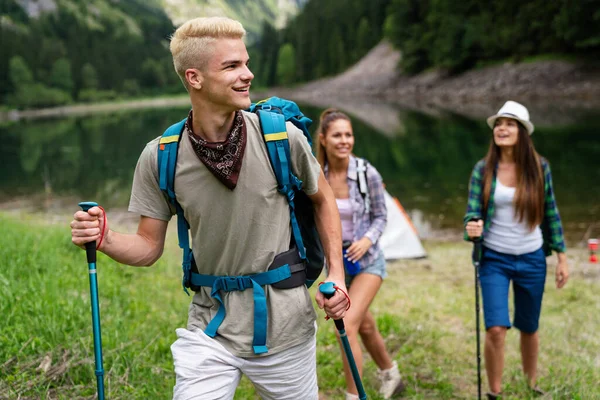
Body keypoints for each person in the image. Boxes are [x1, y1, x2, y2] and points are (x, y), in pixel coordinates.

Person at [70, 17, 349, 400]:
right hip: (209, 327)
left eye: (246, 63)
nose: (247, 74)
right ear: (194, 78)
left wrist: (337, 273)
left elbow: (323, 199)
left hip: (285, 325)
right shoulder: (161, 156)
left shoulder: (281, 137)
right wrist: (104, 238)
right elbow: (148, 248)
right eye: (232, 66)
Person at [464, 100, 569, 399]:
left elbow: (551, 212)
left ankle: (531, 383)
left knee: (529, 326)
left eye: (509, 123)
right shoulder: (483, 169)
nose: (502, 128)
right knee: (496, 328)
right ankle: (494, 393)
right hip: (494, 258)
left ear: (523, 132)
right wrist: (472, 225)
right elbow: (472, 212)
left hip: (533, 257)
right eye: (498, 124)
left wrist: (562, 257)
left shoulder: (539, 167)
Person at [316, 109, 406, 400]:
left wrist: (367, 240)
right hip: (337, 266)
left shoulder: (367, 172)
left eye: (348, 134)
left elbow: (382, 215)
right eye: (337, 135)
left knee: (349, 325)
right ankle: (391, 374)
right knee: (365, 325)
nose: (344, 140)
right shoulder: (317, 176)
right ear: (323, 139)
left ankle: (353, 396)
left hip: (368, 262)